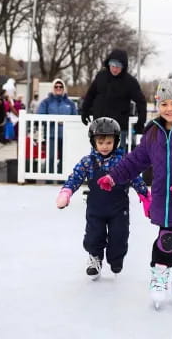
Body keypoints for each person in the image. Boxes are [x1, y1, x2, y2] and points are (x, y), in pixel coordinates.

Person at [96, 78, 172, 309]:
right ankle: (159, 278)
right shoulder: (153, 132)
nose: (169, 109)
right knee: (167, 239)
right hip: (166, 199)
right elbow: (135, 161)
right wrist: (113, 176)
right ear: (157, 104)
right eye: (164, 104)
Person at [56, 117, 150, 280]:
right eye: (100, 142)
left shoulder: (123, 161)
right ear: (93, 142)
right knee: (94, 235)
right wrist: (66, 192)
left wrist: (145, 195)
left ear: (116, 141)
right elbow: (76, 177)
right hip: (96, 209)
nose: (104, 146)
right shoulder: (88, 162)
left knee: (119, 236)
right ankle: (95, 259)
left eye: (108, 142)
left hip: (118, 209)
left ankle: (115, 258)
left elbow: (135, 177)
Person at [80, 49, 147, 151]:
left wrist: (140, 122)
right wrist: (84, 111)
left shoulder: (130, 82)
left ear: (123, 67)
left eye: (118, 66)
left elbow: (141, 102)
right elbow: (90, 95)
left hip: (118, 129)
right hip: (99, 126)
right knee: (97, 158)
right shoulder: (101, 76)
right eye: (113, 65)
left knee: (117, 161)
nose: (115, 69)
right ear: (108, 64)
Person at [37, 78, 77, 175]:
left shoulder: (70, 103)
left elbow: (75, 117)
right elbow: (40, 115)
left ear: (64, 88)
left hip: (66, 136)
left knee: (64, 158)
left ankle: (62, 179)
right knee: (51, 157)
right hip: (51, 135)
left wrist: (66, 122)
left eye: (60, 86)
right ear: (53, 88)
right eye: (56, 86)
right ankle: (49, 179)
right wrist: (54, 120)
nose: (58, 88)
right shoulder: (46, 102)